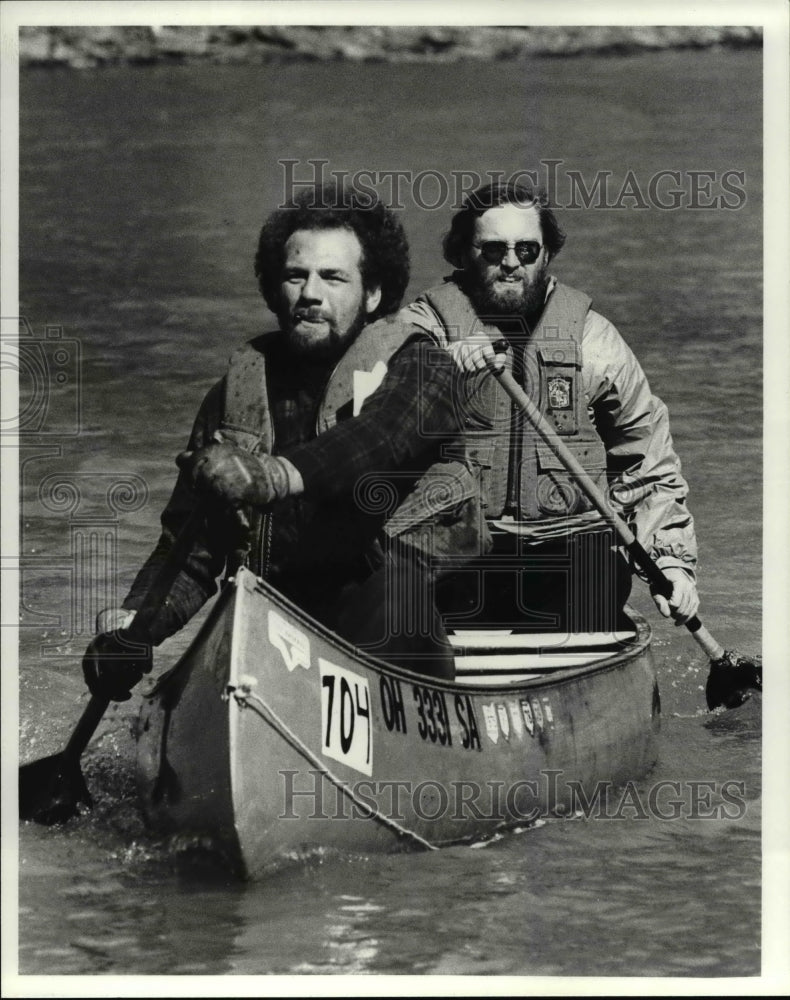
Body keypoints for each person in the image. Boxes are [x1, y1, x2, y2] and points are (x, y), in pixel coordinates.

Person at [82, 183, 474, 700]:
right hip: (277, 621)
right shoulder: (234, 395)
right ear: (275, 288)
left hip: (395, 623)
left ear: (373, 293)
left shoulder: (424, 369)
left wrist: (274, 475)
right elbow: (193, 551)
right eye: (296, 276)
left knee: (394, 594)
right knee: (228, 615)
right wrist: (134, 631)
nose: (310, 293)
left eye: (333, 277)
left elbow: (375, 440)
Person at [397, 180, 699, 635]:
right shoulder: (424, 328)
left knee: (594, 564)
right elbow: (366, 402)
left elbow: (648, 467)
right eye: (494, 249)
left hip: (567, 554)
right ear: (462, 254)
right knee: (397, 587)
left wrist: (671, 564)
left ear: (548, 254)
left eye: (527, 249)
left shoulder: (595, 342)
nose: (512, 262)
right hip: (454, 549)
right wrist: (441, 371)